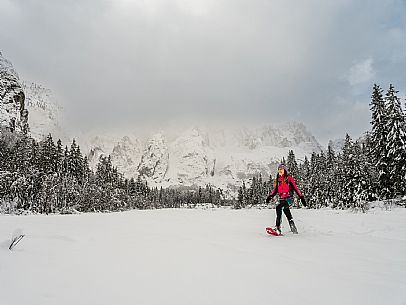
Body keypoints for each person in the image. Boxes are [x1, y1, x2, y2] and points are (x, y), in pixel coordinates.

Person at [266, 163, 307, 235]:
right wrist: (270, 197)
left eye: (281, 169)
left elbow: (296, 188)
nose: (280, 171)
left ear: (285, 170)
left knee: (278, 207)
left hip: (289, 199)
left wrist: (301, 197)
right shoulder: (278, 180)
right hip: (282, 199)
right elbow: (275, 190)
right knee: (287, 212)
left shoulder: (289, 178)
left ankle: (277, 228)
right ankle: (294, 229)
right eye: (279, 170)